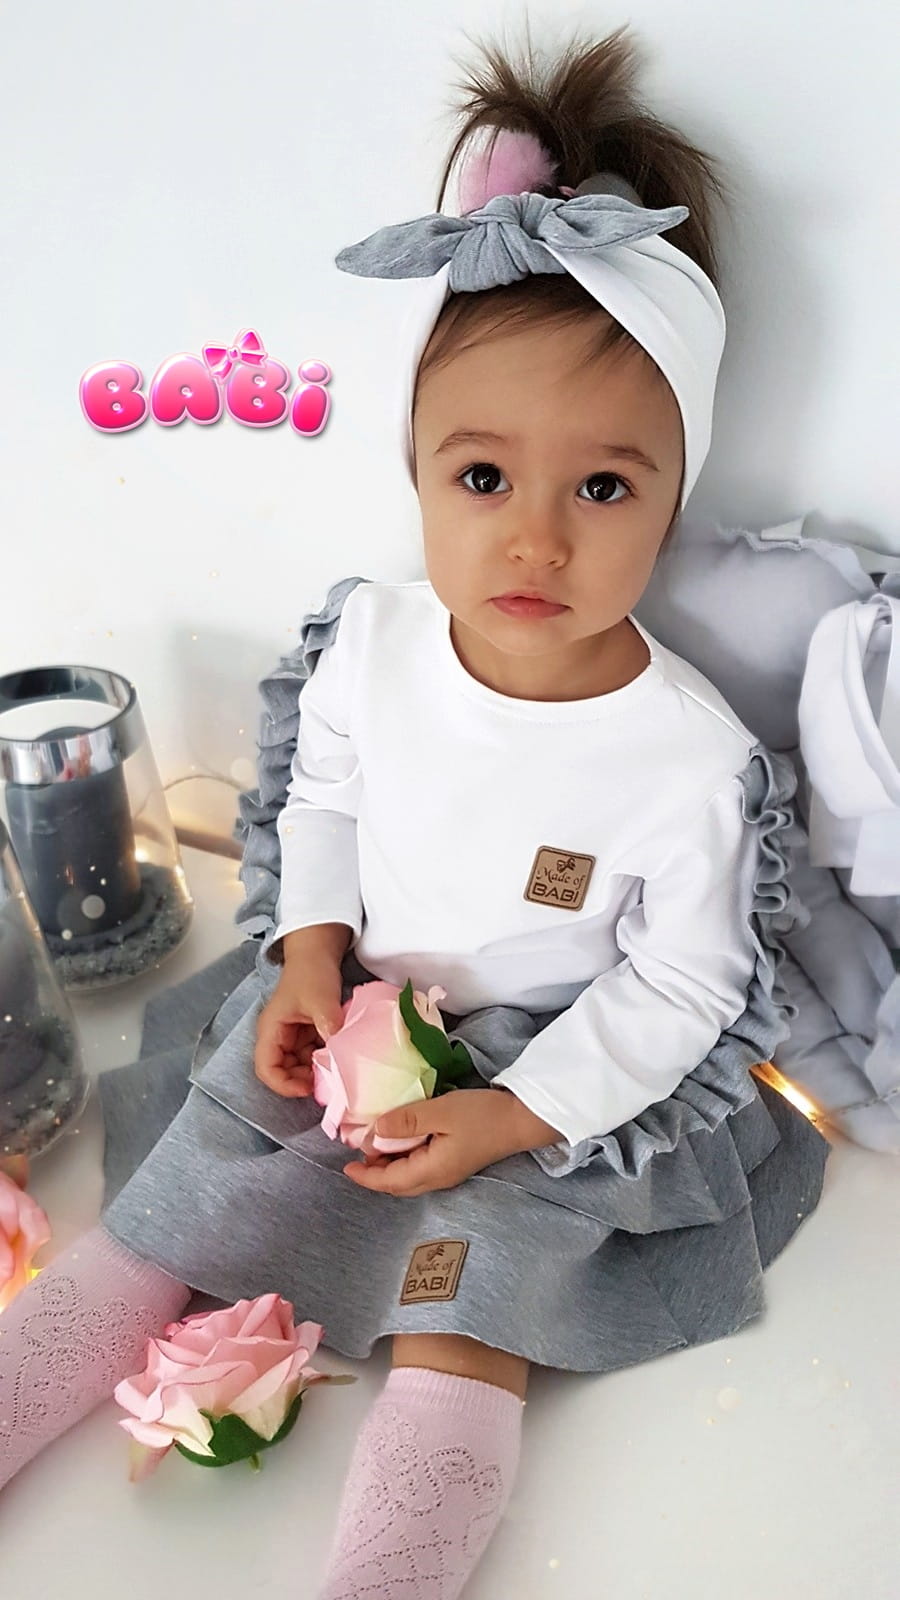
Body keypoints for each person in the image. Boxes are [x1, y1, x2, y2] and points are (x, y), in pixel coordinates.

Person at [0, 25, 830, 1599]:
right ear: (417, 469)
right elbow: (320, 795)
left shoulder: (686, 760)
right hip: (352, 1012)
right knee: (171, 1213)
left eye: (603, 488)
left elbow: (685, 985)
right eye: (482, 478)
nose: (537, 540)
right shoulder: (374, 646)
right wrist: (310, 949)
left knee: (471, 1305)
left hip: (543, 1073)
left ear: (673, 493)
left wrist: (515, 1114)